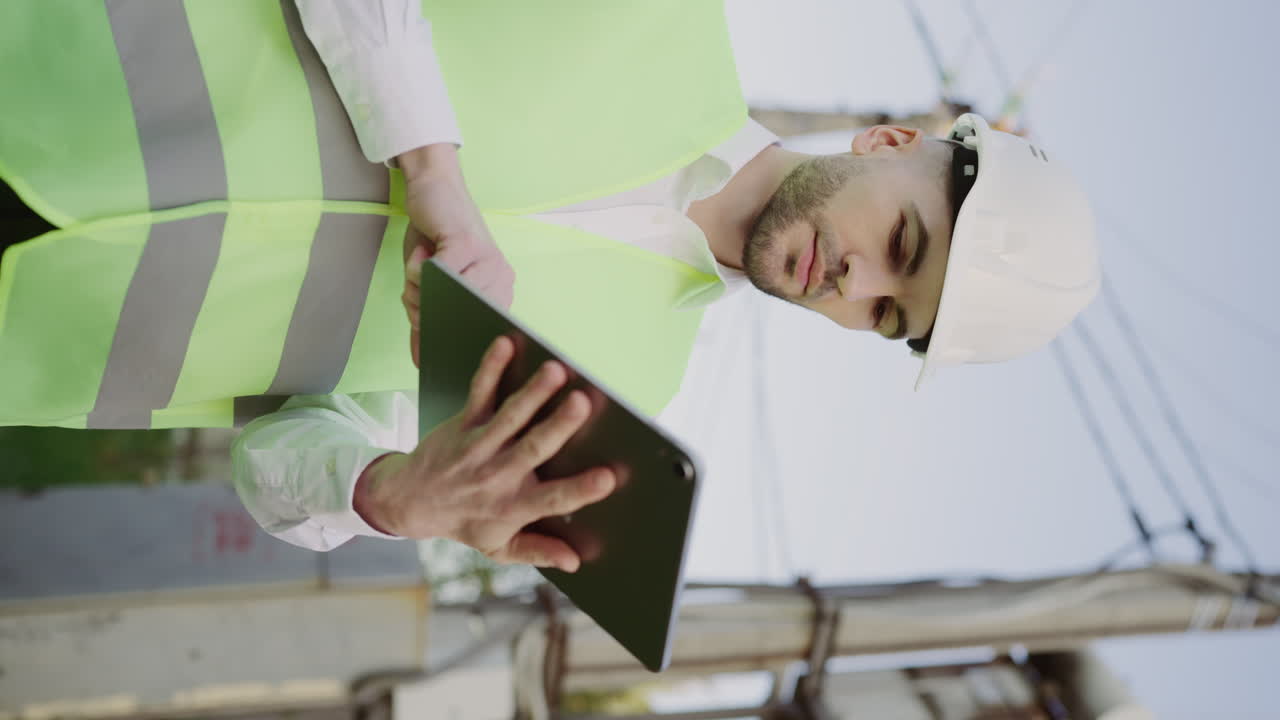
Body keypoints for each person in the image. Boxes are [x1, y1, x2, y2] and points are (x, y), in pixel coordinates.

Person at [0, 1, 1097, 571]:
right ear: (892, 136)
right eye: (899, 242)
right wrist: (429, 165)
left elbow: (268, 465)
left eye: (886, 316)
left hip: (32, 343)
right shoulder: (658, 17)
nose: (857, 283)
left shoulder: (615, 393)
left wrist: (386, 494)